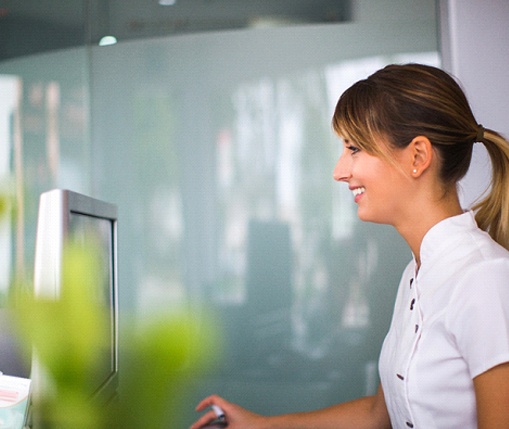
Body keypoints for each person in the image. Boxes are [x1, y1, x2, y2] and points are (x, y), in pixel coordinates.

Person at [190, 63, 509, 429]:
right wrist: (260, 425)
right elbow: (379, 414)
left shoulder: (484, 279)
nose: (340, 171)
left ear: (418, 157)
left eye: (355, 149)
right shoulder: (416, 276)